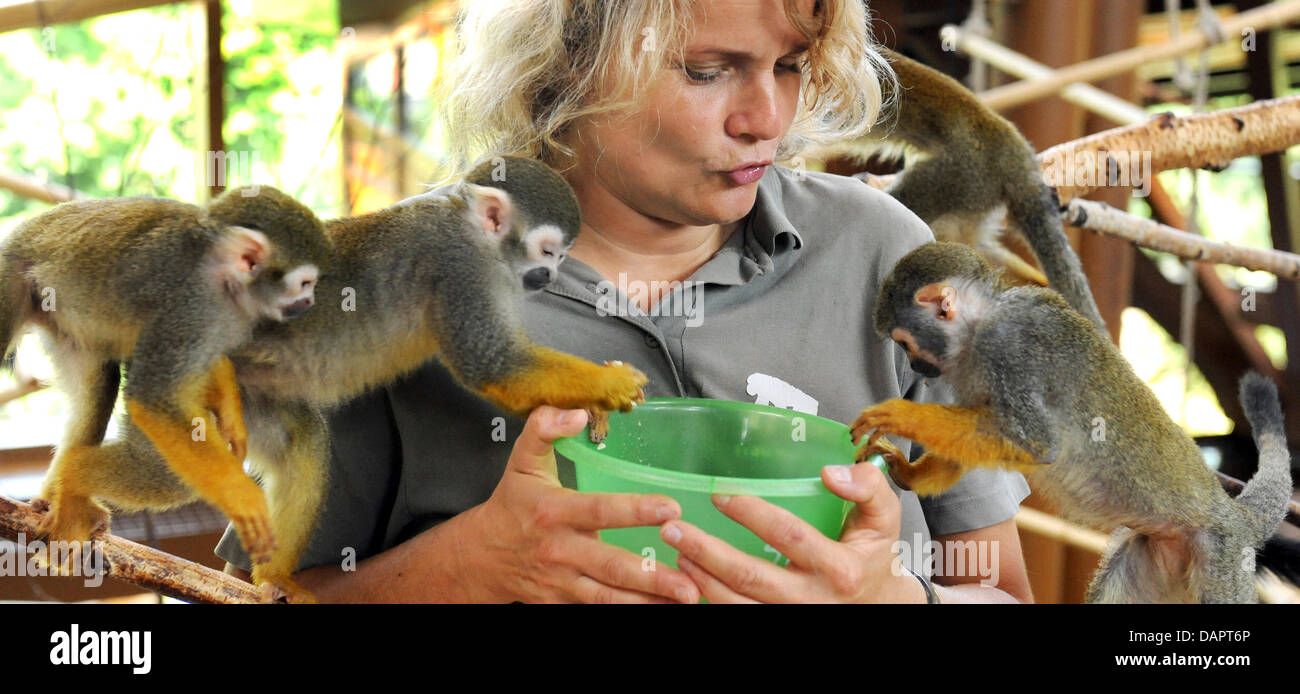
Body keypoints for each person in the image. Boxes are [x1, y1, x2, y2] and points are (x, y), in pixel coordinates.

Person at [219, 0, 1034, 603]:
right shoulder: (394, 278)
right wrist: (472, 563)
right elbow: (253, 595)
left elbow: (1004, 590)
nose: (769, 120)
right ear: (568, 55)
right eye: (708, 71)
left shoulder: (884, 251)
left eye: (788, 65)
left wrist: (899, 600)